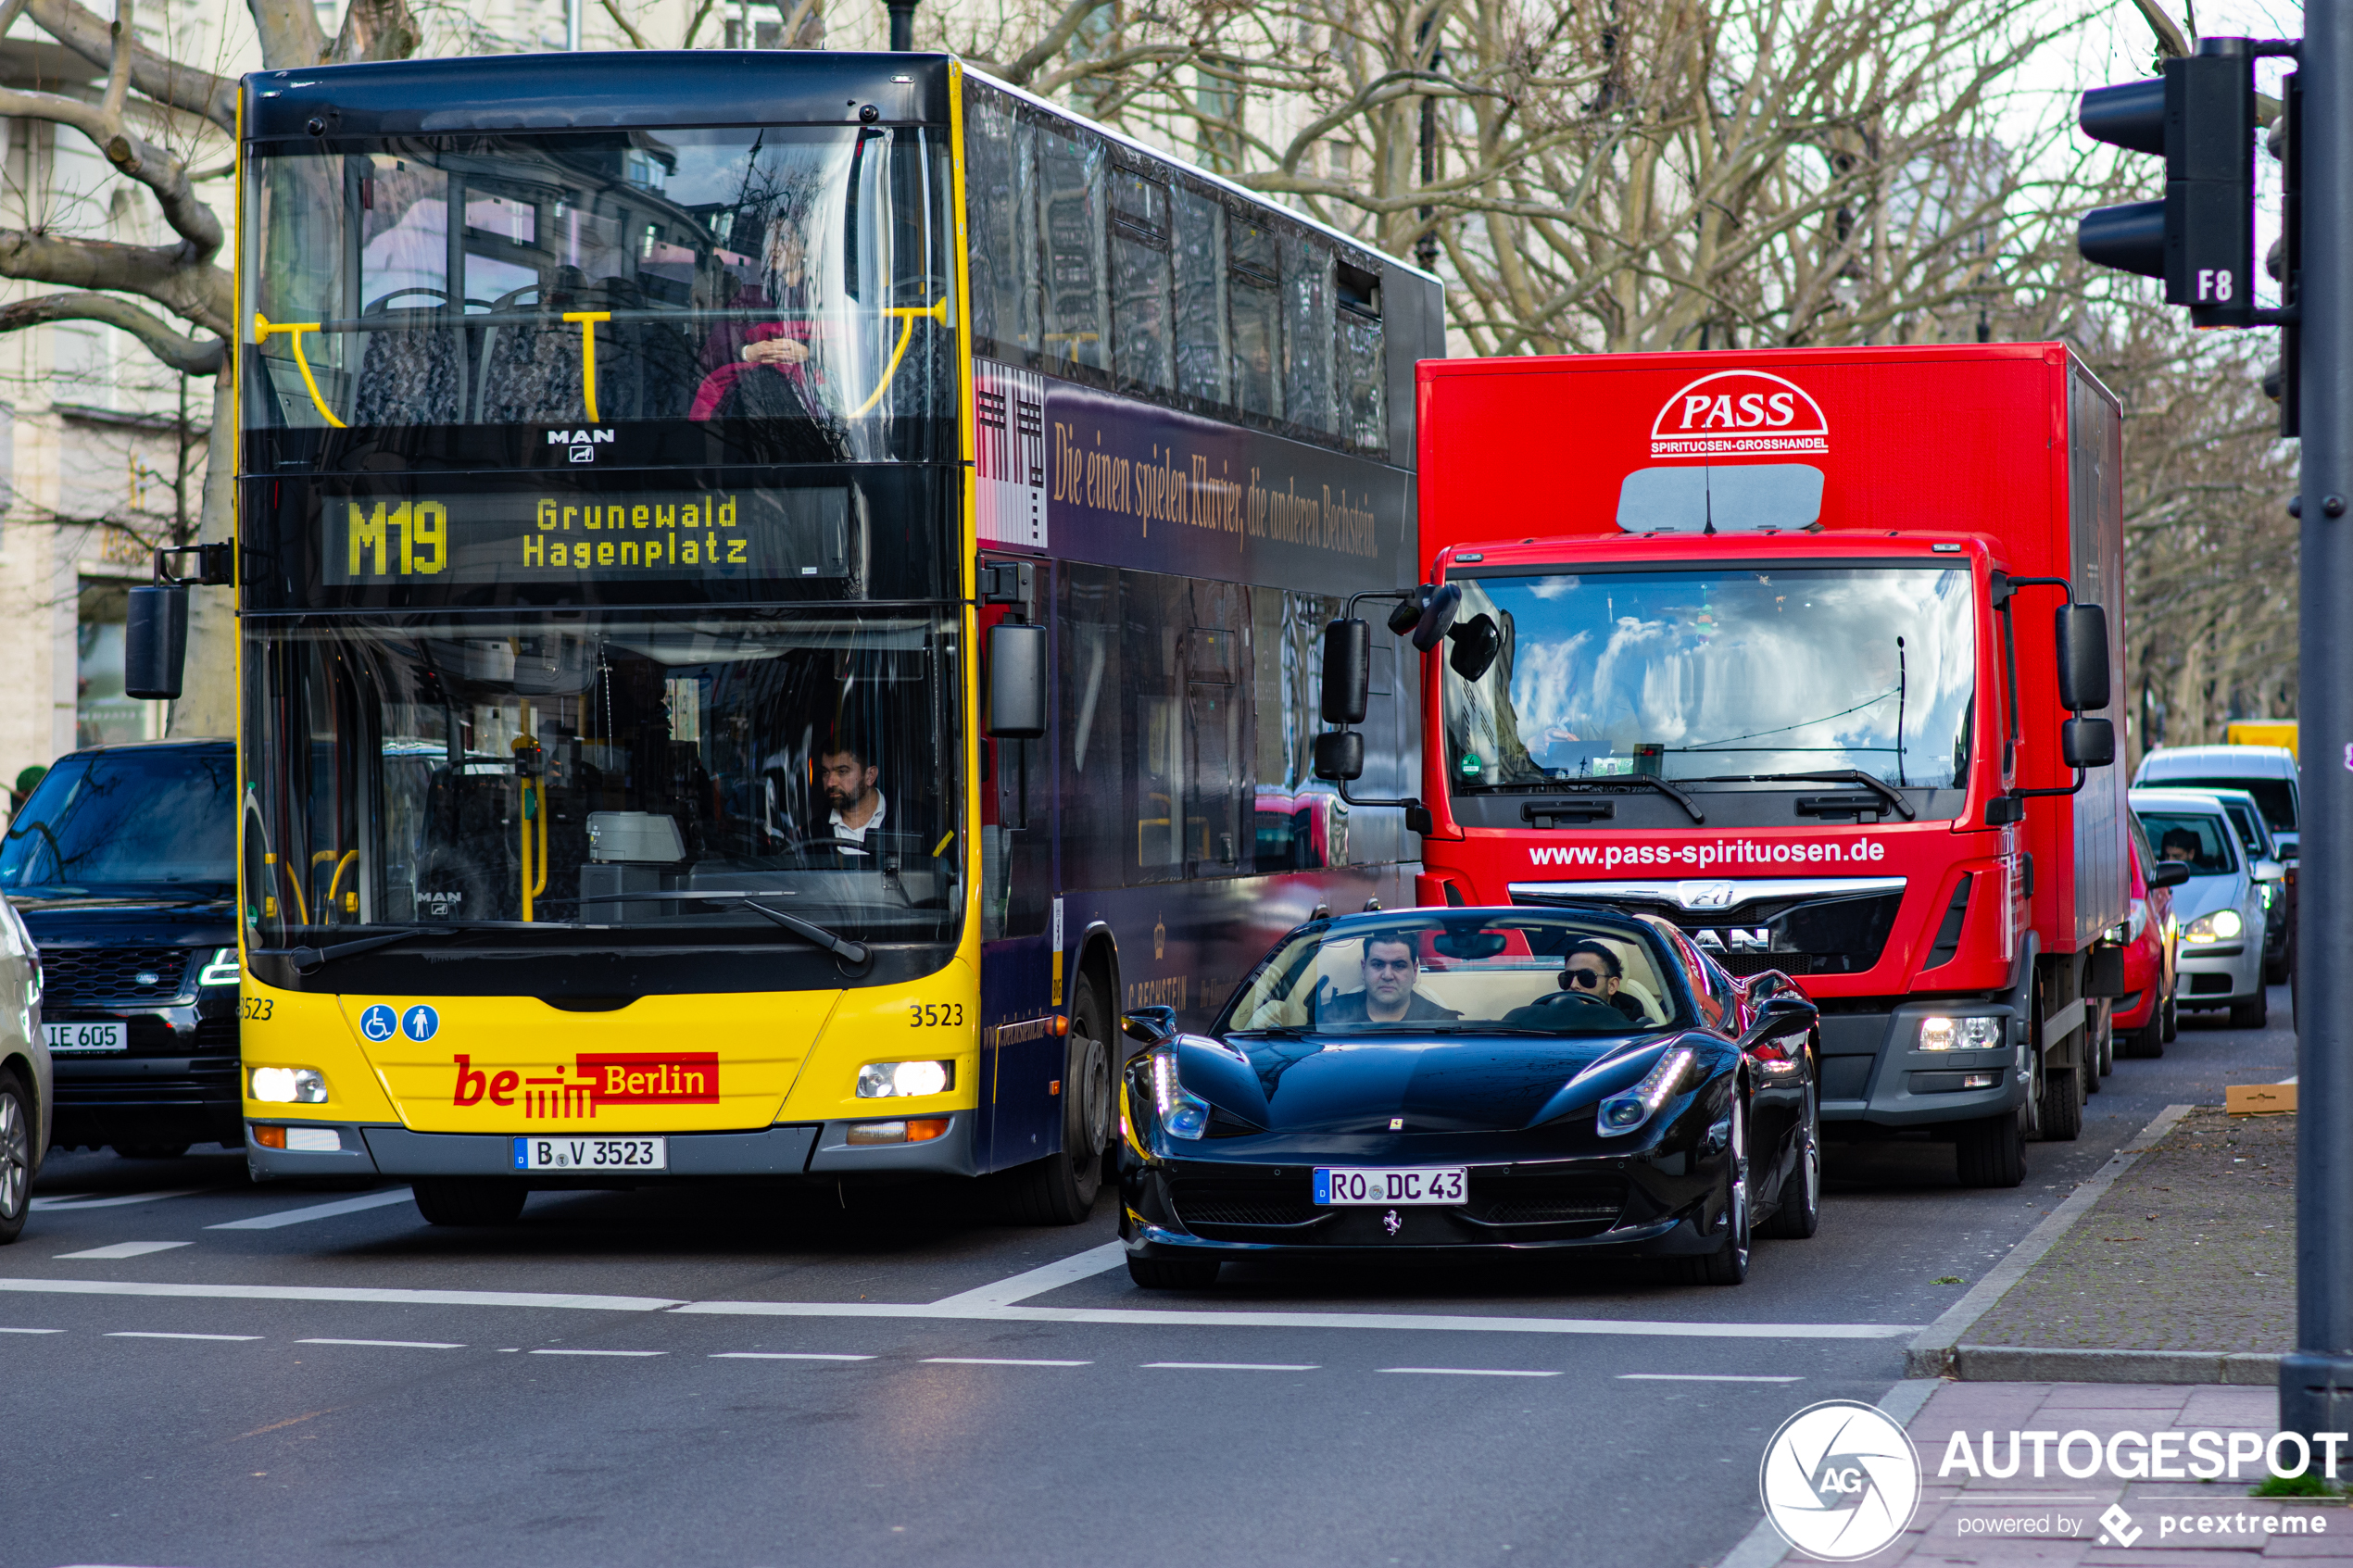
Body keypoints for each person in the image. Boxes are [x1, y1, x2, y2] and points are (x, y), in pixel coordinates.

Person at [1317, 933, 1462, 1026]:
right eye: (1378, 964)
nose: (1387, 975)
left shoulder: (1441, 1024)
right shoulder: (1332, 1015)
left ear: (1415, 971)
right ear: (1364, 968)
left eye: (1399, 965)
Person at [1501, 938, 1648, 1029]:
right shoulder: (1540, 1018)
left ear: (1612, 986)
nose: (1574, 985)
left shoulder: (1633, 1027)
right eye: (1568, 977)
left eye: (1587, 977)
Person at [818, 740, 885, 856]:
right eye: (825, 772)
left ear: (870, 776)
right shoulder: (812, 835)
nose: (830, 783)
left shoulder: (913, 820)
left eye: (842, 771)